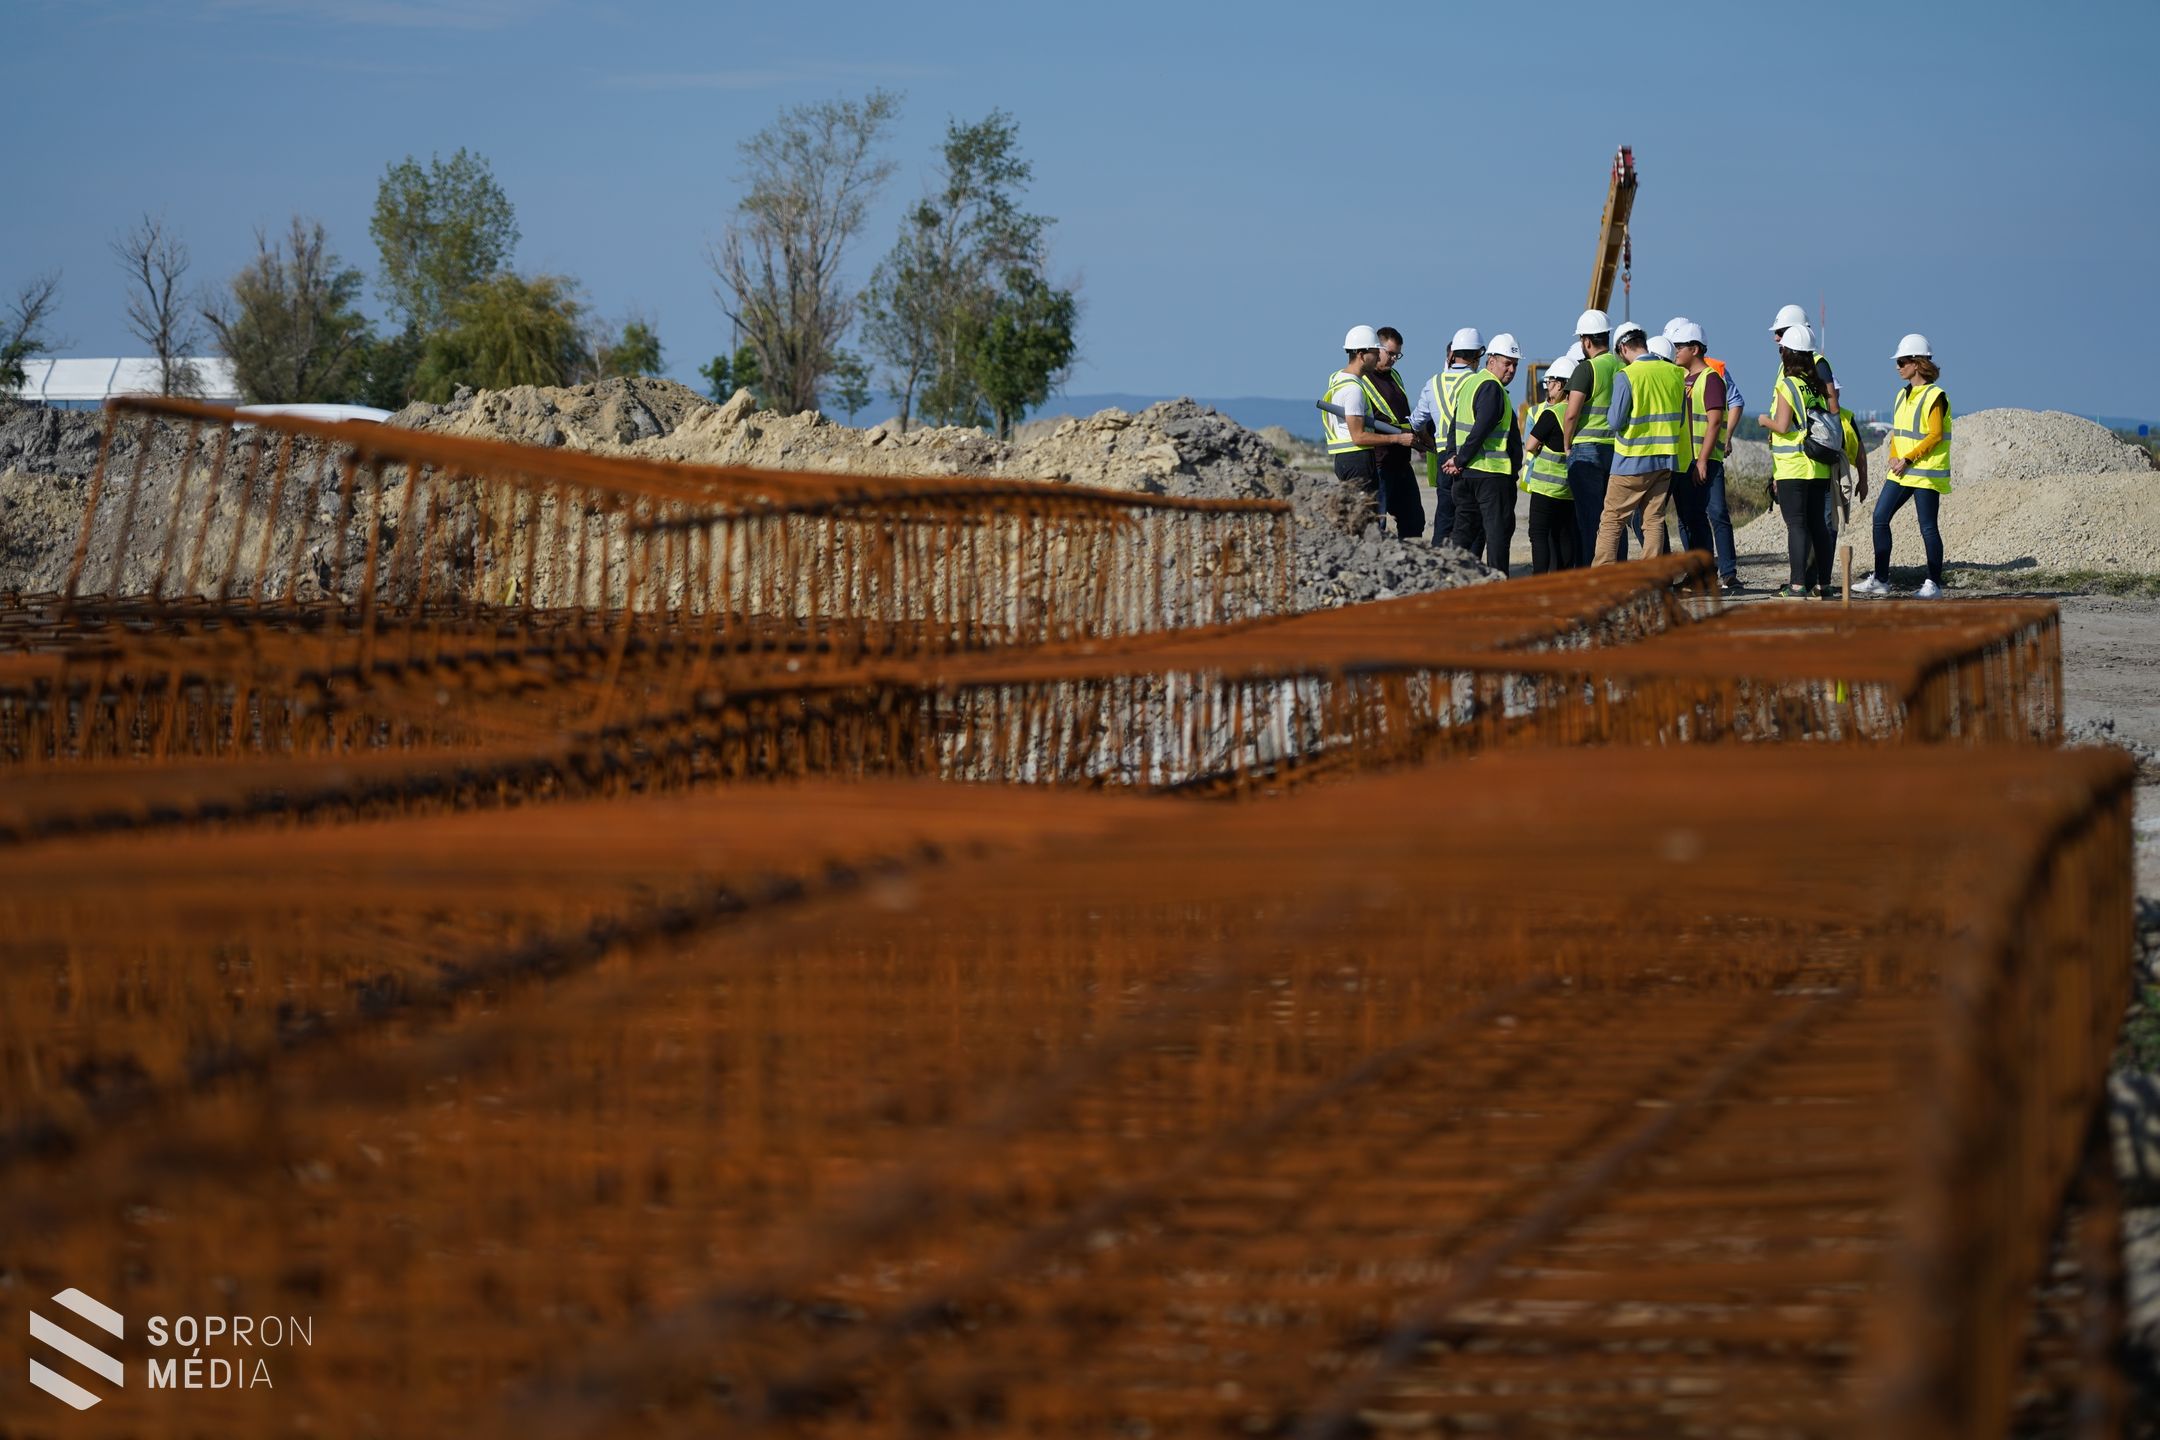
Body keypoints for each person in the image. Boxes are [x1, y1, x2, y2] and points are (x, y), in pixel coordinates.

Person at [1855, 334, 1952, 599]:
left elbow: (1935, 434)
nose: (1897, 367)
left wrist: (1908, 459)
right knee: (1879, 518)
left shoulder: (1935, 395)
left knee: (1928, 527)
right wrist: (1893, 457)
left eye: (1902, 361)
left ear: (1918, 363)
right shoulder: (1901, 395)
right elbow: (1899, 432)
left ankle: (1933, 585)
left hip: (1924, 472)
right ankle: (1881, 580)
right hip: (1901, 470)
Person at [1594, 326, 1686, 564]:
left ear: (1623, 348)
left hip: (1630, 461)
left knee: (1612, 520)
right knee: (1653, 520)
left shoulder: (1628, 375)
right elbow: (1681, 418)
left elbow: (1614, 421)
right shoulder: (1675, 373)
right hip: (1665, 460)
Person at [1320, 325, 1419, 529]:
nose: (1378, 357)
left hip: (1350, 459)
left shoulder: (1338, 380)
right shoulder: (1354, 389)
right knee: (1368, 525)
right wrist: (1397, 438)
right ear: (1361, 354)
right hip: (1360, 459)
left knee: (1367, 522)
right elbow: (1358, 436)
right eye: (1375, 352)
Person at [1762, 324, 1835, 598]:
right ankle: (1823, 583)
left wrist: (1763, 421)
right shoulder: (1815, 385)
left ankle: (1796, 585)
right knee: (1818, 525)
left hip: (1793, 466)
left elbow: (1781, 425)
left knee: (1797, 525)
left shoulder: (1788, 384)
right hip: (1817, 465)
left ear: (1788, 354)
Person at [1441, 333, 1523, 571]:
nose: (1511, 370)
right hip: (1490, 474)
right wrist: (1459, 458)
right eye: (1507, 363)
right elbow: (1482, 428)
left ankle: (1452, 578)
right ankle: (1497, 582)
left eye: (1515, 365)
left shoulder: (1471, 384)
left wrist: (1452, 457)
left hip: (1467, 476)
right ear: (1491, 360)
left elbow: (1454, 426)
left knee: (1463, 533)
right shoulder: (1491, 388)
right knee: (1497, 534)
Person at [1410, 328, 1485, 547]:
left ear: (1452, 354)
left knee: (1445, 515)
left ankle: (1439, 566)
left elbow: (1416, 422)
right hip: (1472, 458)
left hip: (1443, 457)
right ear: (1477, 355)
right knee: (1472, 518)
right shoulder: (1480, 382)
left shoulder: (1433, 383)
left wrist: (1428, 441)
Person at [1561, 309, 1624, 563]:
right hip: (1618, 451)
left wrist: (1567, 446)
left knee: (1589, 522)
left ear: (1586, 341)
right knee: (1614, 521)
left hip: (1587, 450)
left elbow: (1571, 414)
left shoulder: (1586, 370)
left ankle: (1593, 573)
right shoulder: (1623, 366)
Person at [1670, 321, 1726, 567]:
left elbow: (1714, 422)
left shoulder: (1710, 379)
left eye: (1680, 346)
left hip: (1702, 459)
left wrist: (1702, 460)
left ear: (1695, 349)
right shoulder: (1682, 377)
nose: (1676, 351)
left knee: (1696, 518)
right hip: (1686, 459)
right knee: (1687, 518)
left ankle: (1705, 575)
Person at [1521, 357, 1580, 573]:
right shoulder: (1578, 414)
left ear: (1560, 384)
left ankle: (1540, 579)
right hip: (1568, 488)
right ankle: (1563, 577)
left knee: (1538, 534)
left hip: (1545, 487)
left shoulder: (1551, 413)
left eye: (1551, 383)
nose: (1548, 388)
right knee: (1564, 534)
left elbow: (1530, 445)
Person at [1369, 327, 1425, 539]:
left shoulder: (1395, 376)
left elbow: (1402, 416)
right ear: (1377, 348)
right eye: (1390, 353)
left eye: (1397, 355)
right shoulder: (1363, 380)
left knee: (1414, 520)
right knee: (1377, 525)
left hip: (1401, 462)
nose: (1393, 359)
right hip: (1380, 464)